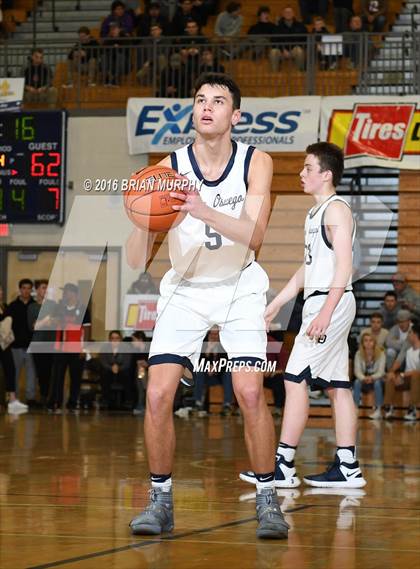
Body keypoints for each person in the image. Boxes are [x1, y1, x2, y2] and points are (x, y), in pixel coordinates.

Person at [126, 72, 289, 539]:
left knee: (250, 392)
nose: (207, 106)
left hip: (239, 285)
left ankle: (267, 499)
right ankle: (160, 500)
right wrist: (143, 216)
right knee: (157, 393)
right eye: (200, 99)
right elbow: (138, 260)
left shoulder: (257, 161)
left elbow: (254, 235)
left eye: (218, 101)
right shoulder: (167, 167)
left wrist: (199, 208)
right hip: (187, 288)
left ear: (235, 115)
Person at [241, 142, 367, 490]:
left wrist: (327, 311)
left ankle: (282, 463)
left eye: (308, 167)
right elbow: (309, 268)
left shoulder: (336, 210)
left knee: (294, 378)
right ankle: (347, 466)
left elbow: (345, 266)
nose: (301, 172)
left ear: (326, 175)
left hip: (331, 301)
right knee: (339, 387)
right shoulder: (316, 213)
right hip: (323, 299)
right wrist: (278, 302)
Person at [48, 283, 91, 413]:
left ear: (74, 294)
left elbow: (87, 329)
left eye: (67, 291)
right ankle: (56, 402)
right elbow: (52, 322)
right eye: (64, 292)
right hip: (61, 347)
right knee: (58, 377)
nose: (64, 294)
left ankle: (72, 403)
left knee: (75, 377)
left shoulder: (83, 309)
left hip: (76, 348)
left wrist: (85, 349)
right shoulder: (59, 307)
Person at [6, 279, 37, 407]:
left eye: (29, 288)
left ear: (32, 290)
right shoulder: (12, 306)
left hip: (31, 345)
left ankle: (31, 398)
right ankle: (14, 398)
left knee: (31, 373)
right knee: (15, 373)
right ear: (20, 289)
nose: (26, 291)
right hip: (15, 346)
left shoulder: (35, 306)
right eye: (24, 288)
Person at [27, 279, 56, 408]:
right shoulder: (32, 307)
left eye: (47, 288)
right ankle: (43, 397)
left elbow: (56, 323)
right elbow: (33, 326)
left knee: (51, 372)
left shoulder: (54, 305)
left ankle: (49, 398)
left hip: (52, 344)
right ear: (37, 290)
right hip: (38, 344)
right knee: (41, 373)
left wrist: (43, 321)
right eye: (43, 287)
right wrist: (46, 320)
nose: (46, 290)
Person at [193, 327, 234, 416]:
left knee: (228, 372)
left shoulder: (224, 344)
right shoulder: (203, 343)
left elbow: (227, 361)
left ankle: (227, 404)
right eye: (212, 334)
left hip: (219, 375)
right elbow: (197, 361)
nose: (214, 336)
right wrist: (207, 351)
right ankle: (198, 402)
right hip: (205, 375)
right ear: (208, 334)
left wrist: (217, 366)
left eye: (217, 334)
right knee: (199, 369)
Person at [0, 285, 28, 414]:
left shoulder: (4, 306)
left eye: (1, 289)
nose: (1, 292)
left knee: (10, 369)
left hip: (4, 343)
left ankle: (12, 399)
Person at [383, 321, 419, 420]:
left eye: (410, 332)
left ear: (415, 334)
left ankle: (412, 409)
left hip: (416, 378)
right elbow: (398, 362)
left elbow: (418, 371)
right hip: (407, 378)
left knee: (416, 376)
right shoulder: (408, 349)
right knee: (391, 377)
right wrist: (391, 373)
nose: (408, 334)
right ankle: (388, 408)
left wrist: (402, 375)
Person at [352, 332, 385, 420]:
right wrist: (364, 378)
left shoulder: (381, 354)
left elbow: (381, 372)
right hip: (364, 379)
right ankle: (355, 408)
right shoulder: (358, 354)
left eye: (371, 340)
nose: (368, 343)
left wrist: (372, 377)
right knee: (356, 382)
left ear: (374, 342)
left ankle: (378, 410)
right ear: (362, 343)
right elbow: (357, 371)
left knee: (378, 383)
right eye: (365, 341)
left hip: (377, 379)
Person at [99, 330, 133, 409]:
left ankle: (128, 401)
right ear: (109, 339)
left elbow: (127, 363)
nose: (114, 340)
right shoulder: (104, 348)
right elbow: (103, 361)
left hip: (122, 370)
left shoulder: (126, 348)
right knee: (104, 373)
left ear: (120, 339)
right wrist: (111, 368)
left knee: (127, 374)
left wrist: (118, 368)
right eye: (112, 338)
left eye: (117, 338)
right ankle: (105, 400)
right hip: (109, 370)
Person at [274, 6, 308, 72]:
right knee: (273, 52)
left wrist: (297, 47)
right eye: (286, 12)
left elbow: (305, 39)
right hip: (282, 50)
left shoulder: (300, 26)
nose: (288, 13)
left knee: (299, 50)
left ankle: (299, 73)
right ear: (283, 14)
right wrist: (282, 49)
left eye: (290, 12)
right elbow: (274, 40)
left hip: (295, 49)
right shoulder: (278, 27)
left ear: (293, 14)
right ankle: (274, 74)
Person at [131, 330, 149, 415]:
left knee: (141, 370)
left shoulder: (149, 348)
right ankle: (145, 387)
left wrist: (147, 364)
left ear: (140, 339)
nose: (132, 342)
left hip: (150, 372)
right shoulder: (134, 350)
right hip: (140, 373)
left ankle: (141, 405)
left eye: (134, 340)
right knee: (140, 369)